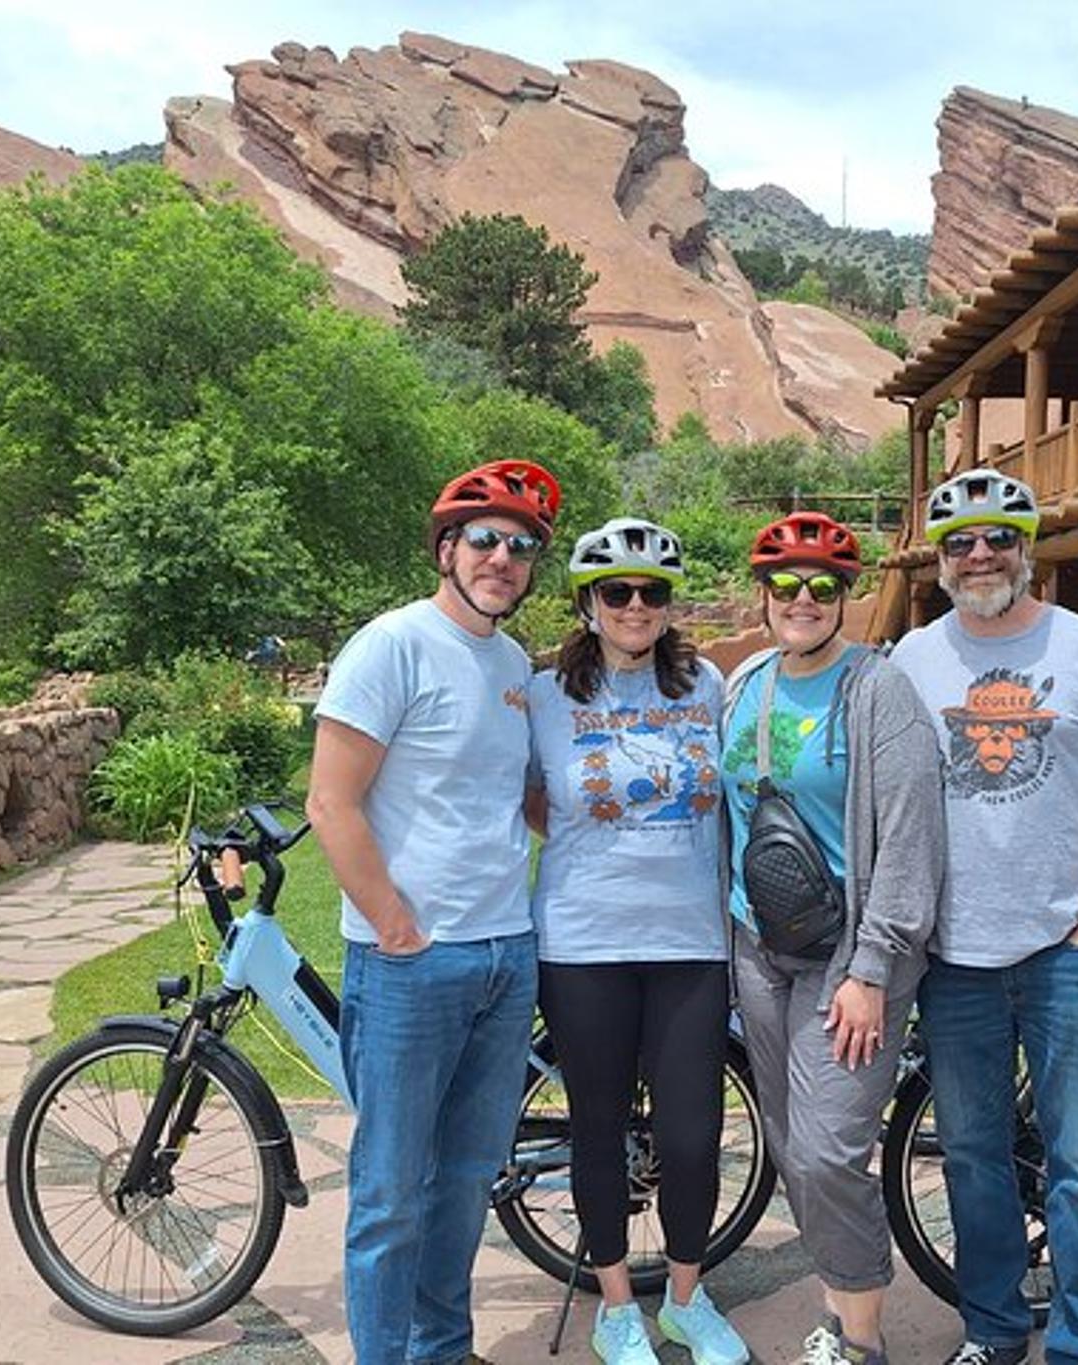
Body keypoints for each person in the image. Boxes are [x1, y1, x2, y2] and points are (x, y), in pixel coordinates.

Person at [889, 471, 1078, 1365]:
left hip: (1067, 950)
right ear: (940, 560)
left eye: (998, 538)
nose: (980, 555)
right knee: (971, 1156)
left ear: (1027, 548)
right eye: (960, 541)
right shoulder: (911, 659)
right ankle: (994, 1328)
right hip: (954, 953)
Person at [305, 458, 561, 1365]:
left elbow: (521, 797)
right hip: (411, 965)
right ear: (447, 548)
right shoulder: (392, 645)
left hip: (504, 954)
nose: (503, 558)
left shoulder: (514, 666)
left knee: (465, 1178)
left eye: (521, 546)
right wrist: (395, 927)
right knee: (390, 1192)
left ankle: (442, 1349)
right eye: (484, 538)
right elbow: (331, 801)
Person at [522, 517, 749, 1365]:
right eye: (616, 590)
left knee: (691, 1134)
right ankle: (617, 1307)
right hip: (583, 943)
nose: (635, 604)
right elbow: (531, 797)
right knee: (599, 1127)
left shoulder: (705, 684)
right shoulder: (546, 694)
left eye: (652, 591)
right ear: (588, 602)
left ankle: (687, 1298)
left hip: (690, 939)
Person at [722, 512, 945, 1365]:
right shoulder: (748, 682)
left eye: (823, 585)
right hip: (758, 945)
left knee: (827, 1151)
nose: (803, 599)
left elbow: (912, 839)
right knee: (790, 1143)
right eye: (785, 584)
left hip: (849, 956)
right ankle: (835, 1304)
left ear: (846, 595)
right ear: (764, 594)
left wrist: (873, 967)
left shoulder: (879, 691)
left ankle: (860, 1339)